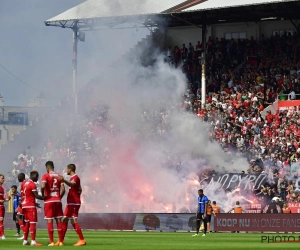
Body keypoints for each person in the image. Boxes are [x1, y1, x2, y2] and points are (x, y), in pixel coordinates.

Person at [60, 164, 86, 246]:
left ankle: (82, 240)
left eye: (67, 169)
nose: (66, 171)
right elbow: (80, 189)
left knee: (73, 220)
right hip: (71, 202)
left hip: (74, 203)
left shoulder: (75, 177)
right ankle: (61, 241)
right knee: (65, 219)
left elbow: (72, 184)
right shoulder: (73, 178)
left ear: (70, 170)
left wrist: (64, 181)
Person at [41, 161, 65, 246]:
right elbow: (63, 189)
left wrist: (43, 195)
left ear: (47, 168)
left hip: (49, 201)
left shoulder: (45, 175)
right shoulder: (59, 176)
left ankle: (51, 242)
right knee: (59, 220)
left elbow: (43, 186)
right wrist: (59, 198)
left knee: (49, 220)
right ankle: (61, 241)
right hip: (58, 200)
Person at [21, 170, 44, 246]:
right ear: (34, 176)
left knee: (27, 223)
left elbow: (27, 196)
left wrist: (35, 203)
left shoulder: (24, 183)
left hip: (24, 205)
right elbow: (36, 195)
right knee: (33, 223)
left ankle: (25, 240)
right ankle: (33, 241)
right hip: (30, 206)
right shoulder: (32, 184)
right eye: (37, 177)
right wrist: (46, 198)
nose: (38, 178)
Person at [0, 174, 11, 240]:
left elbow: (2, 200)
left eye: (3, 178)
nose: (3, 179)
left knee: (1, 221)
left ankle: (0, 235)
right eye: (2, 178)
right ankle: (3, 235)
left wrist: (7, 199)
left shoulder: (2, 188)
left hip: (2, 206)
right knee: (0, 221)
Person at [16, 173, 26, 240]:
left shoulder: (23, 183)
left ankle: (25, 233)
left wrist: (20, 201)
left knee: (18, 217)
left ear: (21, 177)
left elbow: (23, 195)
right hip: (25, 202)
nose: (18, 178)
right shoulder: (25, 183)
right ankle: (25, 234)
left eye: (19, 177)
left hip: (24, 202)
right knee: (23, 218)